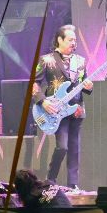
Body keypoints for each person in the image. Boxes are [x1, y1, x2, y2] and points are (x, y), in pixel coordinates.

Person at [32, 24, 93, 190]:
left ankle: (73, 184)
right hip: (56, 110)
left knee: (74, 149)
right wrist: (43, 101)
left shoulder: (80, 61)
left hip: (76, 109)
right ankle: (51, 180)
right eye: (70, 39)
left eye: (75, 40)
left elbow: (84, 83)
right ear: (60, 39)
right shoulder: (46, 60)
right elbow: (34, 83)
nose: (74, 43)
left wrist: (89, 87)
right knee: (62, 147)